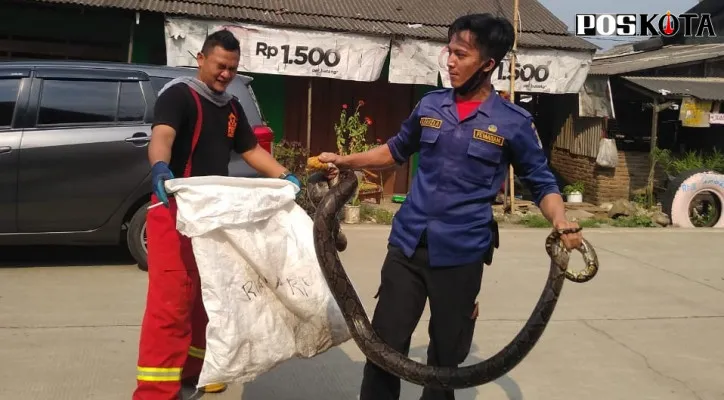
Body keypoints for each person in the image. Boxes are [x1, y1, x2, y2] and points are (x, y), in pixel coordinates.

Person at [317, 13, 584, 400]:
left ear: (488, 64)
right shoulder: (430, 105)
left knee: (445, 362)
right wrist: (346, 160)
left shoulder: (512, 122)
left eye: (461, 54)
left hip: (462, 254)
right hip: (407, 244)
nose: (450, 61)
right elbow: (393, 151)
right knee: (383, 348)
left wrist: (561, 220)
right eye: (449, 51)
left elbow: (541, 181)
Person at [133, 29, 300, 400]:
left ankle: (197, 370)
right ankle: (156, 391)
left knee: (209, 299)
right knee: (172, 304)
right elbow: (162, 136)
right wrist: (160, 166)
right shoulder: (179, 95)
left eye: (233, 69)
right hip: (174, 212)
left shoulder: (231, 108)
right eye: (221, 66)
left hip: (213, 216)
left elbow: (251, 149)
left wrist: (284, 176)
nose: (226, 74)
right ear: (202, 60)